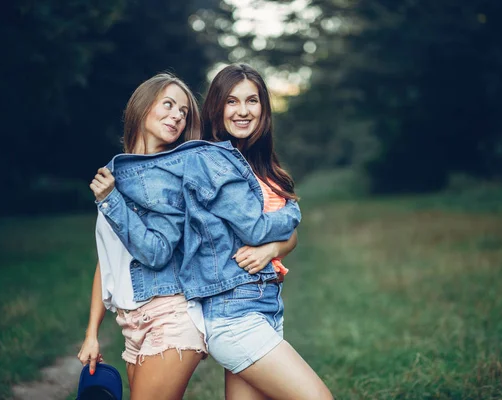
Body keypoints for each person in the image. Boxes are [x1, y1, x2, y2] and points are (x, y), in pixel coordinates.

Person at [197, 63, 333, 400]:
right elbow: (259, 230)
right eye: (231, 101)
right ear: (216, 108)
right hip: (234, 312)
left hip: (266, 305)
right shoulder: (214, 162)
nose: (243, 111)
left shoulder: (267, 170)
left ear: (264, 107)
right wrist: (291, 215)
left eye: (252, 101)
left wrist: (271, 251)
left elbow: (291, 238)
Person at [77, 73, 207, 400]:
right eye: (169, 104)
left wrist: (111, 201)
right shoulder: (114, 172)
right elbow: (107, 259)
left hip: (169, 318)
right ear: (143, 106)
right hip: (131, 326)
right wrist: (92, 333)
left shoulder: (172, 177)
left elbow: (156, 252)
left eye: (184, 112)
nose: (178, 115)